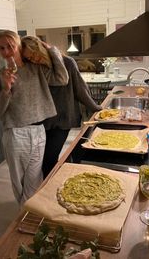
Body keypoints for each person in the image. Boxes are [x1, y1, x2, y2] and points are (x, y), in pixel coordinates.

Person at [0, 31, 68, 205]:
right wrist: (6, 89)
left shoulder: (36, 68)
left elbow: (62, 79)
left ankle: (28, 215)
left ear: (18, 46)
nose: (6, 51)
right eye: (1, 48)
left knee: (34, 179)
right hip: (16, 134)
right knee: (19, 182)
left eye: (10, 46)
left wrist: (53, 51)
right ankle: (25, 216)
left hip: (39, 131)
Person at [22, 37, 102, 178]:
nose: (34, 59)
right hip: (42, 121)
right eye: (29, 58)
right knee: (40, 161)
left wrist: (96, 108)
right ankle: (50, 186)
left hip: (63, 119)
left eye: (34, 54)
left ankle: (51, 189)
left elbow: (80, 90)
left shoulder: (67, 63)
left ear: (41, 48)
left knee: (49, 159)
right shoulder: (35, 68)